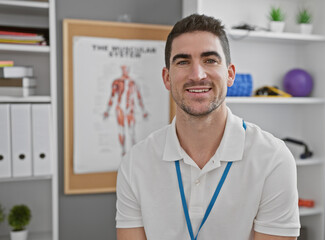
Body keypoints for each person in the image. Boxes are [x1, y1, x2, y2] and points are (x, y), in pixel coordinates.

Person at [116, 14, 300, 240]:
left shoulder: (273, 159)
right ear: (167, 78)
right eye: (183, 62)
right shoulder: (136, 162)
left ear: (230, 74)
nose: (197, 75)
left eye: (210, 60)